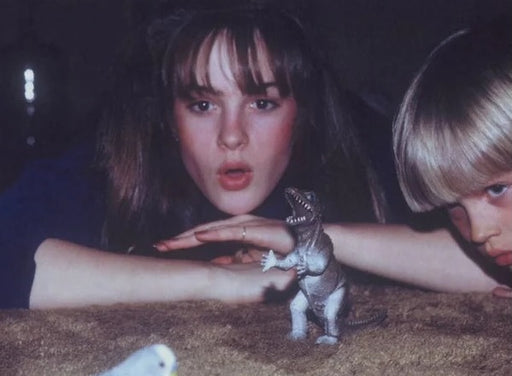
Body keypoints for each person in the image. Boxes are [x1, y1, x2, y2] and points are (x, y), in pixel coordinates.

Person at [0, 4, 400, 309]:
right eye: (203, 105)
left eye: (262, 103)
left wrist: (314, 240)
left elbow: (443, 250)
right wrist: (214, 280)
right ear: (169, 117)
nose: (231, 136)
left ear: (302, 113)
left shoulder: (363, 154)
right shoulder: (116, 165)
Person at [157, 16, 512, 299]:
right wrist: (298, 239)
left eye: (498, 189)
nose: (478, 232)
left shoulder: (374, 160)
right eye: (202, 105)